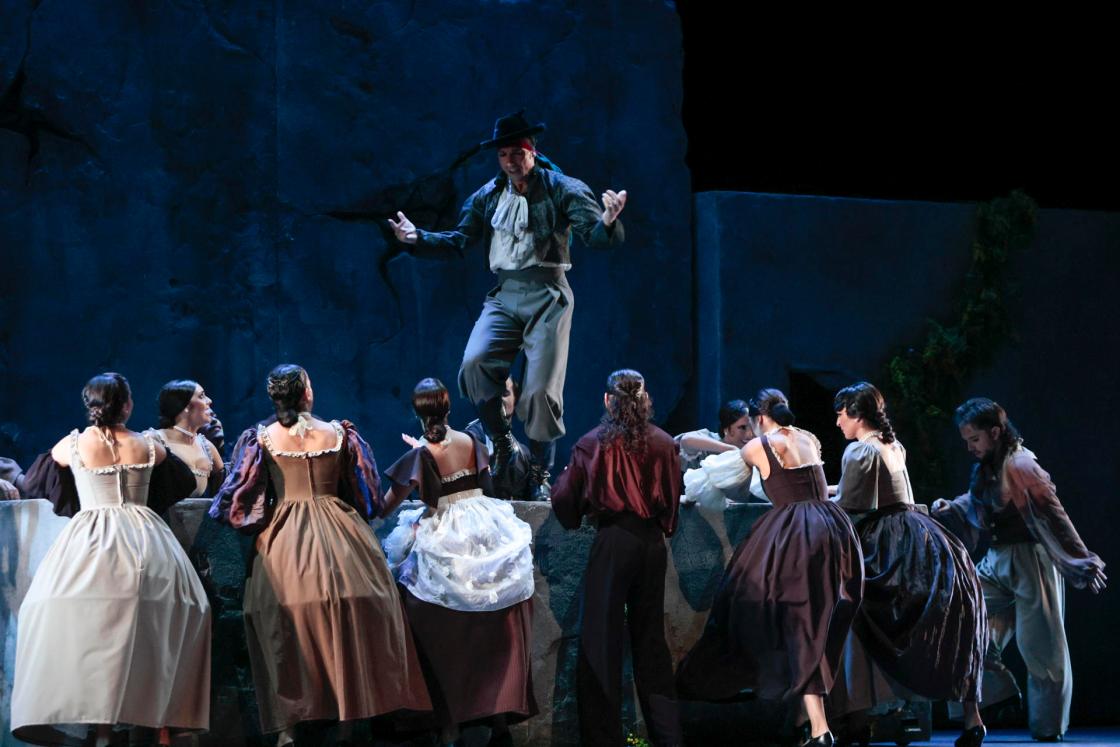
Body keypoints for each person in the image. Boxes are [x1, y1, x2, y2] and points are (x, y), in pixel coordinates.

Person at [388, 110, 628, 500]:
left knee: (540, 393)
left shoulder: (562, 188)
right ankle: (502, 442)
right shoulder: (488, 196)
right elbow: (461, 240)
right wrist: (419, 238)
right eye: (503, 155)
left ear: (532, 151)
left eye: (517, 152)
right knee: (475, 363)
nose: (511, 161)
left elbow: (595, 237)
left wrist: (609, 221)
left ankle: (540, 472)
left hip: (548, 293)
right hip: (505, 292)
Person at [209, 364, 430, 744]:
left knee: (281, 622)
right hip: (342, 534)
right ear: (306, 393)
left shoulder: (262, 438)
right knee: (352, 614)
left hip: (285, 539)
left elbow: (239, 500)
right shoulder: (338, 433)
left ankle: (289, 727)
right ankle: (347, 718)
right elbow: (366, 497)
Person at [11, 373, 210, 747]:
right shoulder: (147, 445)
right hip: (146, 541)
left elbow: (35, 481)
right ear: (127, 406)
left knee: (76, 621)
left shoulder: (73, 445)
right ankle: (153, 717)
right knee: (165, 618)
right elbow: (182, 481)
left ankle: (103, 725)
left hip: (90, 540)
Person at [676, 389, 864, 747]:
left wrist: (694, 489)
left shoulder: (758, 447)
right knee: (815, 622)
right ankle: (807, 721)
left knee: (776, 616)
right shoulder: (808, 438)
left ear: (760, 418)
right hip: (833, 529)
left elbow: (721, 482)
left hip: (796, 534)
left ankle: (819, 728)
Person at [932, 398, 1106, 742]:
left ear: (995, 433)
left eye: (975, 439)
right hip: (998, 559)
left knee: (1042, 647)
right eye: (966, 440)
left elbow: (1054, 514)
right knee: (962, 615)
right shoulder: (989, 468)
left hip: (1031, 561)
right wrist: (950, 508)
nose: (970, 447)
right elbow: (979, 500)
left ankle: (1048, 727)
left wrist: (1081, 558)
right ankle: (998, 693)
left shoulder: (1022, 464)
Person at [829, 383, 986, 747]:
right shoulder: (893, 445)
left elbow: (852, 506)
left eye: (841, 414)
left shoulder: (859, 450)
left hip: (885, 539)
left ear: (857, 415)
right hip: (920, 533)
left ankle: (858, 715)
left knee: (853, 612)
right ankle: (972, 718)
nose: (837, 422)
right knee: (948, 622)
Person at [382, 378, 537, 745]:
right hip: (484, 531)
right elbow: (488, 488)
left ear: (418, 413)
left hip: (446, 537)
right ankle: (497, 718)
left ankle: (448, 723)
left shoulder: (421, 454)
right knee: (492, 621)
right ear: (449, 408)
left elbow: (386, 505)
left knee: (425, 616)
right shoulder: (471, 442)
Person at [550, 369, 683, 747]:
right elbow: (672, 502)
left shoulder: (592, 444)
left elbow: (565, 499)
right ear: (645, 400)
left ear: (608, 401)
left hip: (613, 543)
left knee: (600, 643)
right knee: (651, 645)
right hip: (651, 545)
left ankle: (603, 739)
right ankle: (668, 738)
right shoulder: (664, 443)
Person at [677, 399, 769, 505]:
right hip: (701, 511)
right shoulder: (710, 441)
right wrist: (731, 449)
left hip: (737, 512)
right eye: (742, 428)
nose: (749, 434)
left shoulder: (754, 451)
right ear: (727, 428)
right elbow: (686, 440)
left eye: (753, 428)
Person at [147, 379, 225, 497]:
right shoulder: (153, 440)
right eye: (201, 396)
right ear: (185, 406)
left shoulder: (207, 447)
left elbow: (226, 489)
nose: (209, 400)